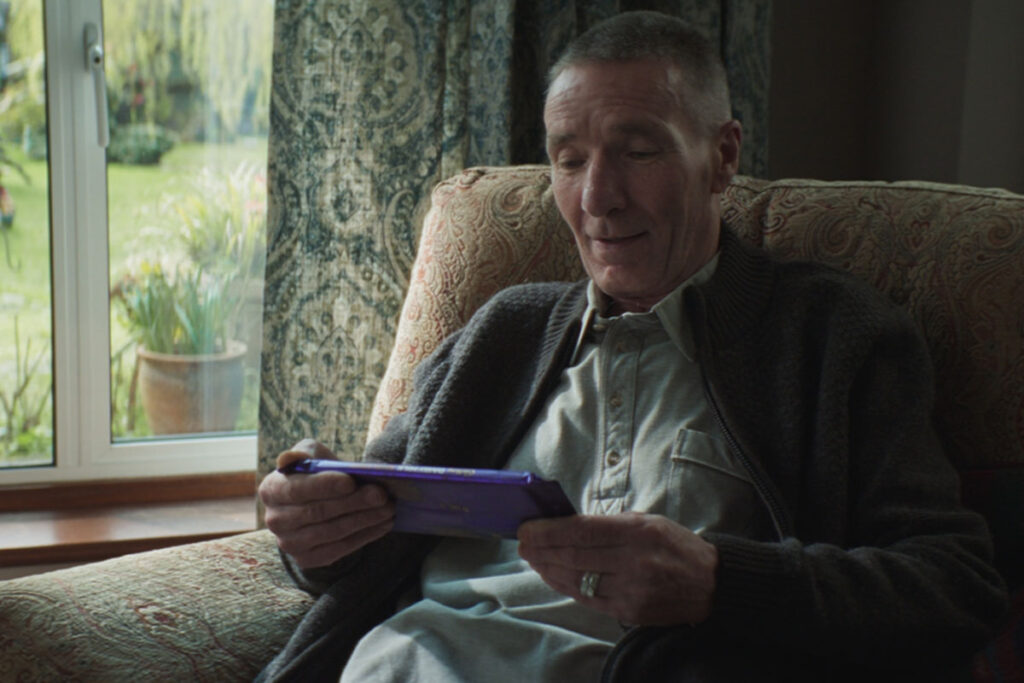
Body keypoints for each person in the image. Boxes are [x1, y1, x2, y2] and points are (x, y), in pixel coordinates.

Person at [257, 11, 1007, 682]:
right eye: (569, 158)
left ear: (722, 156)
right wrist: (312, 529)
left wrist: (721, 580)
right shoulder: (501, 334)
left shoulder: (830, 337)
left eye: (638, 151)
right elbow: (361, 545)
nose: (597, 198)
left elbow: (954, 588)